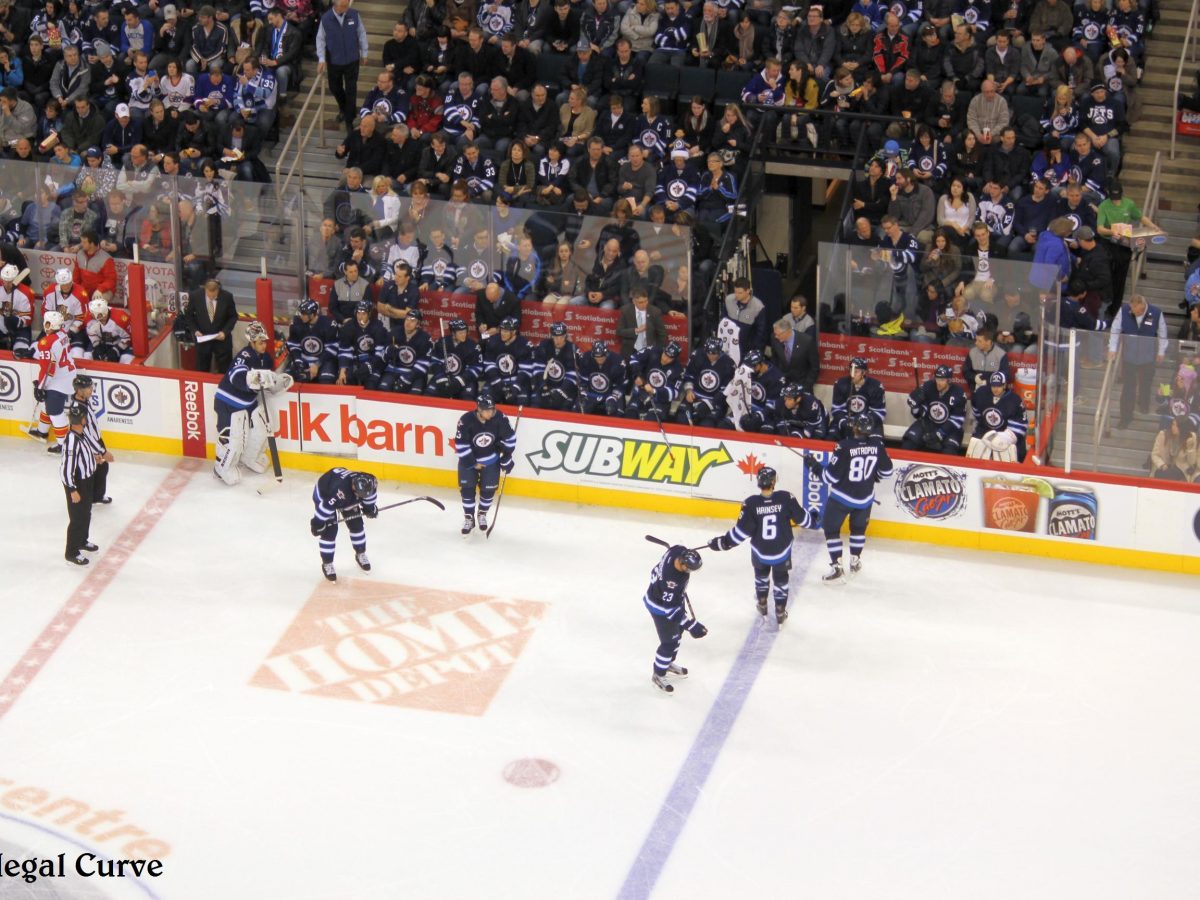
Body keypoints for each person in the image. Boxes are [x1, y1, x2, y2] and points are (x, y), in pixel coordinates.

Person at [707, 466, 819, 624]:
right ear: (773, 482)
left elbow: (740, 533)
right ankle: (780, 610)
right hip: (781, 551)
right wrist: (814, 520)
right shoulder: (786, 498)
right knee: (781, 580)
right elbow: (804, 520)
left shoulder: (750, 503)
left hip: (760, 552)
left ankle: (762, 603)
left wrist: (722, 543)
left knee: (761, 577)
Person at [813, 413, 894, 583]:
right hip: (865, 499)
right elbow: (887, 472)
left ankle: (837, 568)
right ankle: (855, 562)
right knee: (858, 530)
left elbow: (829, 477)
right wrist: (874, 474)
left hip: (841, 498)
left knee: (831, 530)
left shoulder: (844, 446)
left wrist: (815, 467)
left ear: (855, 427)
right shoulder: (877, 445)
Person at [213, 321, 294, 486]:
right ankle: (221, 467)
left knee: (262, 426)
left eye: (265, 342)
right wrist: (252, 379)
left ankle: (250, 457)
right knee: (234, 438)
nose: (264, 345)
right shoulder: (245, 356)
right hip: (228, 402)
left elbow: (266, 383)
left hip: (248, 402)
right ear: (252, 341)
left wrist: (276, 382)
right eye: (260, 342)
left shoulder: (266, 359)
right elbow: (236, 377)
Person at [642, 544, 706, 694]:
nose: (689, 572)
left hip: (669, 599)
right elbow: (670, 611)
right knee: (669, 642)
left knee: (678, 631)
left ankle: (667, 662)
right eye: (688, 568)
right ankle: (658, 674)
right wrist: (692, 625)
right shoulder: (672, 582)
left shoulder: (677, 550)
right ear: (682, 563)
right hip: (659, 607)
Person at [454, 393, 517, 534]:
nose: (491, 413)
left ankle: (482, 514)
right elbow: (461, 444)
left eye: (492, 409)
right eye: (487, 410)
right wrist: (472, 463)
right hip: (469, 461)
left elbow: (510, 439)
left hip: (491, 460)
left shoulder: (500, 418)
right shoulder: (466, 420)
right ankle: (469, 517)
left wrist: (507, 456)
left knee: (488, 491)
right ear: (479, 409)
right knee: (467, 490)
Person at [1108, 293, 1167, 430]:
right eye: (1132, 311)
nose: (1134, 313)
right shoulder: (1124, 311)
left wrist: (1161, 351)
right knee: (1128, 387)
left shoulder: (1156, 313)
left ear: (1143, 306)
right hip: (1129, 356)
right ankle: (1125, 417)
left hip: (1148, 356)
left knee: (1146, 382)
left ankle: (1144, 403)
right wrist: (1112, 348)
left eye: (1137, 311)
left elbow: (1162, 333)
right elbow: (1115, 329)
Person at [310, 468, 378, 582]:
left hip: (347, 496)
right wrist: (317, 524)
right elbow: (325, 508)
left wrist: (370, 508)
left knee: (357, 525)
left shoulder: (370, 482)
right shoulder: (338, 491)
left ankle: (360, 553)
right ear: (353, 487)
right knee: (330, 532)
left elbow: (369, 497)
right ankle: (327, 563)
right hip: (324, 494)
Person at [60, 401, 104, 566]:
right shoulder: (72, 441)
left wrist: (94, 458)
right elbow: (66, 469)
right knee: (77, 518)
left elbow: (83, 455)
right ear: (83, 419)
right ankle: (71, 552)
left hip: (87, 480)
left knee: (86, 513)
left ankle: (82, 540)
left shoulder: (81, 434)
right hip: (77, 484)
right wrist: (72, 489)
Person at [30, 310, 77, 452]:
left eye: (46, 322)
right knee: (46, 403)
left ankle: (64, 445)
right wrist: (32, 352)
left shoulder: (46, 342)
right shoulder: (63, 334)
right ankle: (42, 431)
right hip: (68, 374)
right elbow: (53, 354)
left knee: (55, 412)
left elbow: (48, 369)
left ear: (49, 324)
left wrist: (40, 387)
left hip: (58, 381)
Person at [316, 0, 370, 126]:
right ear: (335, 5)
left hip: (352, 59)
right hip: (334, 60)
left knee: (351, 89)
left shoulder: (354, 14)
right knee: (334, 87)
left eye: (347, 5)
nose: (346, 8)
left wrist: (364, 52)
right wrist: (321, 59)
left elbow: (361, 33)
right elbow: (320, 39)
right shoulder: (326, 18)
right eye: (343, 6)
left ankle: (349, 120)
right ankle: (345, 109)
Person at [902, 363, 966, 453]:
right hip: (928, 423)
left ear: (949, 381)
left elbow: (958, 419)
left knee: (950, 451)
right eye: (937, 379)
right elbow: (919, 414)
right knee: (908, 444)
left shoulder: (959, 393)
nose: (938, 383)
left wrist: (940, 433)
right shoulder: (928, 386)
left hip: (950, 428)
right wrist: (915, 407)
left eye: (942, 380)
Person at [71, 373, 112, 504]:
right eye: (88, 388)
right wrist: (100, 451)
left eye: (91, 387)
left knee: (101, 468)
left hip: (96, 441)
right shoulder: (77, 408)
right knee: (93, 469)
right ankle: (90, 497)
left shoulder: (84, 400)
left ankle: (95, 496)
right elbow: (84, 433)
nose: (91, 390)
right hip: (90, 444)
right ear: (79, 390)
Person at [967, 371, 1027, 462]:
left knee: (1011, 453)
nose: (995, 389)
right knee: (974, 445)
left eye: (999, 386)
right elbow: (977, 413)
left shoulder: (1014, 400)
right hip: (986, 430)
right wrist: (985, 432)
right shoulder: (980, 394)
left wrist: (1004, 437)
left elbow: (1020, 426)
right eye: (993, 386)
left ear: (1004, 385)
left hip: (1006, 433)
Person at [181, 278, 238, 373]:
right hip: (203, 339)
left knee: (224, 371)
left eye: (214, 296)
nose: (211, 298)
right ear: (205, 289)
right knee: (202, 370)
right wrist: (195, 330)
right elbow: (189, 316)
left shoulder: (227, 297)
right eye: (208, 295)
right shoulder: (195, 296)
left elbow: (233, 317)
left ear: (218, 290)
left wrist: (225, 332)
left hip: (222, 341)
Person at [286, 298, 339, 385]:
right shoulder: (297, 322)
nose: (301, 316)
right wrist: (298, 362)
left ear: (313, 314)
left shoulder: (328, 324)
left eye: (304, 314)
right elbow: (293, 345)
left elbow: (332, 348)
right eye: (301, 313)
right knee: (291, 376)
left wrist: (317, 364)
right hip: (304, 359)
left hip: (324, 360)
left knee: (326, 379)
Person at [830, 357, 886, 438]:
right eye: (851, 371)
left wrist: (862, 424)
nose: (852, 375)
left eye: (856, 371)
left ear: (864, 372)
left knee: (876, 440)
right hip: (847, 420)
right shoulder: (840, 384)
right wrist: (844, 422)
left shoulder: (876, 386)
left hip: (867, 423)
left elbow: (879, 412)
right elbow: (837, 408)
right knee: (831, 436)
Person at [426, 318, 482, 400]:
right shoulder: (442, 342)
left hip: (465, 380)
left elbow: (477, 368)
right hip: (444, 377)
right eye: (460, 333)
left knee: (467, 398)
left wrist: (459, 381)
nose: (464, 335)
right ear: (453, 333)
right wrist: (440, 377)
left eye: (465, 332)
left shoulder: (473, 346)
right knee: (429, 394)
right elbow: (435, 361)